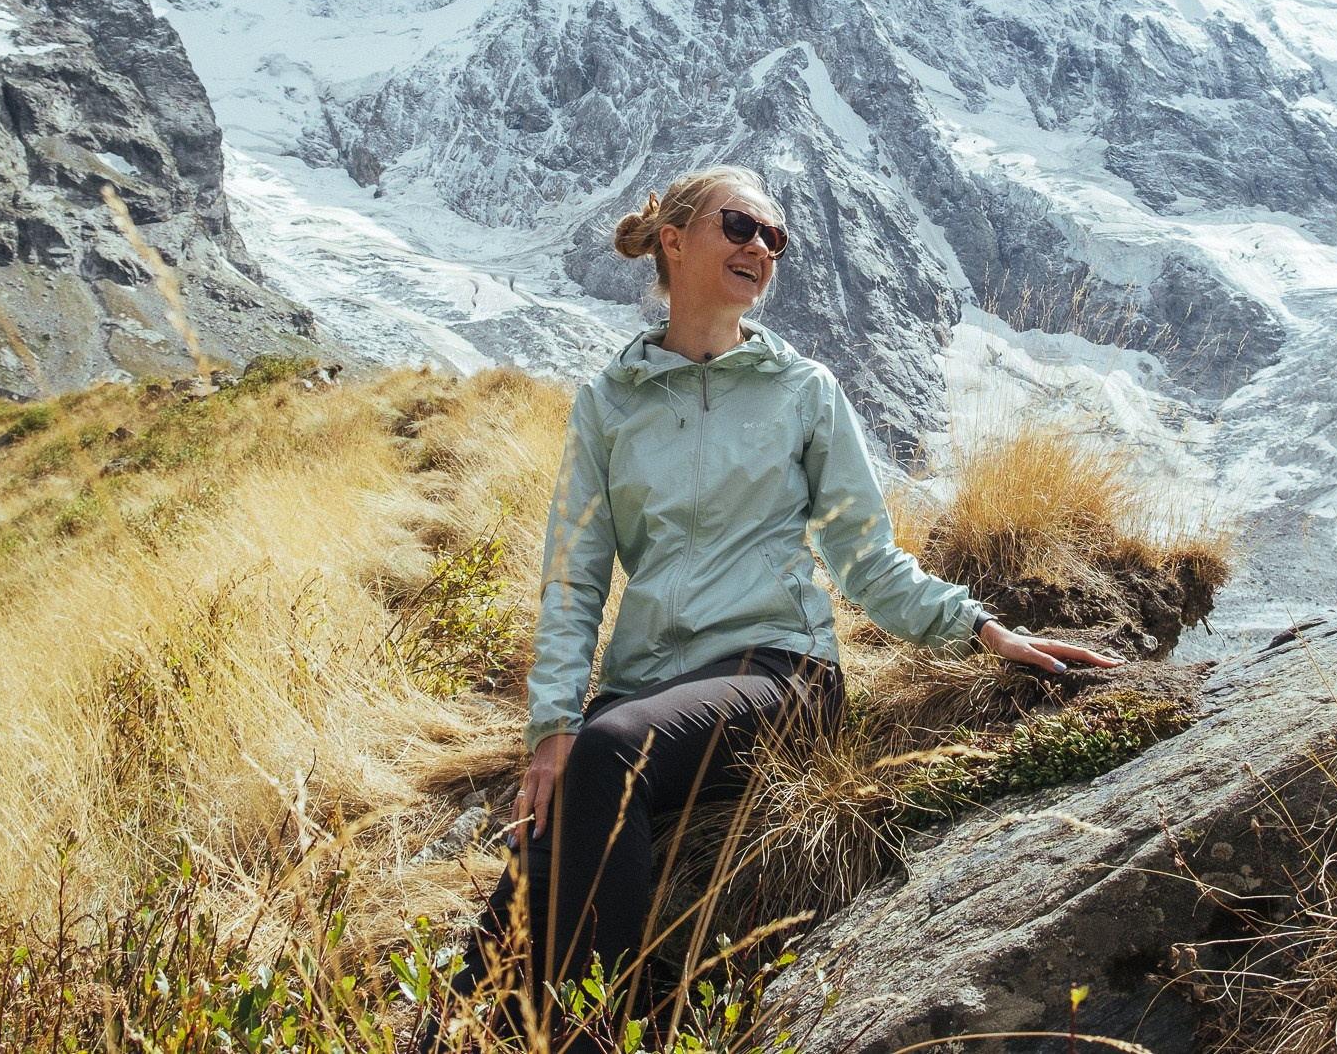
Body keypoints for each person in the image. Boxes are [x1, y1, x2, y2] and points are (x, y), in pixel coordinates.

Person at [462, 165, 1117, 1015]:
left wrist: (982, 628)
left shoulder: (804, 392)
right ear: (673, 238)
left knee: (610, 749)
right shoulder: (608, 402)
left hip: (779, 674)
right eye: (740, 226)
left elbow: (867, 560)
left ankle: (598, 1034)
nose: (762, 248)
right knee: (480, 978)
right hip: (643, 694)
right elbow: (573, 575)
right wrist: (552, 724)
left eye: (776, 238)